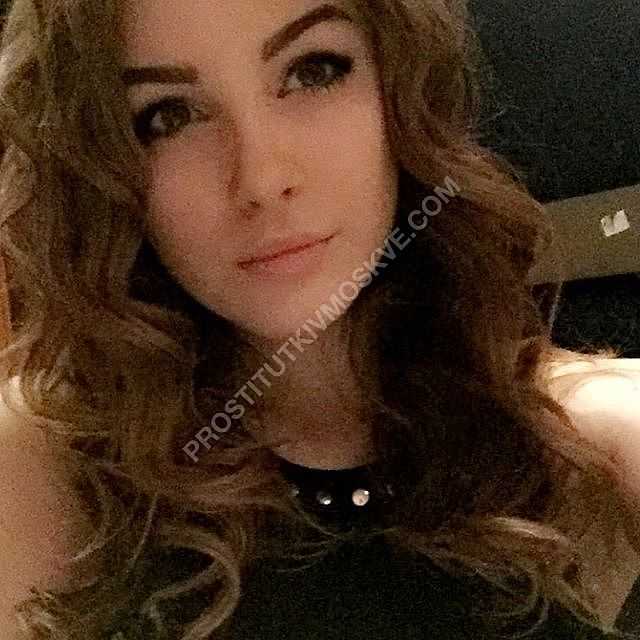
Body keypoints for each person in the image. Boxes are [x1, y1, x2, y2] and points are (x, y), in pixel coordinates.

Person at [0, 0, 639, 638]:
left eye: (312, 71)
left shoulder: (587, 449)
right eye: (168, 116)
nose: (262, 178)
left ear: (400, 87)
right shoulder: (44, 468)